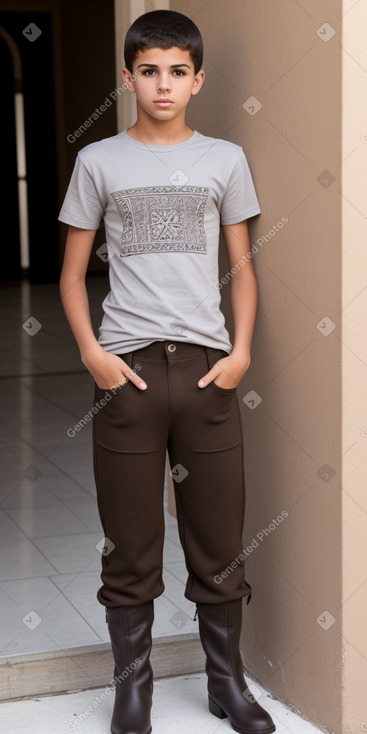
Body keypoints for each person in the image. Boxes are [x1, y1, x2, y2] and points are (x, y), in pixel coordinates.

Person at [59, 9, 275, 734]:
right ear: (128, 78)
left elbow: (241, 268)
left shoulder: (224, 159)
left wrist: (239, 352)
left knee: (219, 543)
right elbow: (69, 276)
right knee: (129, 545)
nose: (162, 84)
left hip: (208, 375)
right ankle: (133, 693)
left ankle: (226, 686)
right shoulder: (98, 162)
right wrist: (94, 355)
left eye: (177, 71)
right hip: (129, 378)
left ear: (197, 79)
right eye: (148, 70)